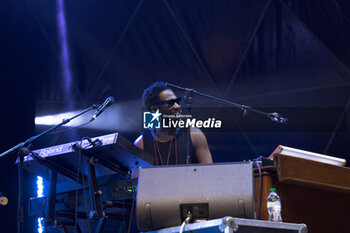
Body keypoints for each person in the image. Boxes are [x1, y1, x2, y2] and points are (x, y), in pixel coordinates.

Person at [134, 81, 213, 169]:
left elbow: (209, 174)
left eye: (177, 101)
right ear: (154, 109)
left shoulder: (194, 135)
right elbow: (136, 181)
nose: (177, 106)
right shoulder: (141, 144)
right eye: (171, 103)